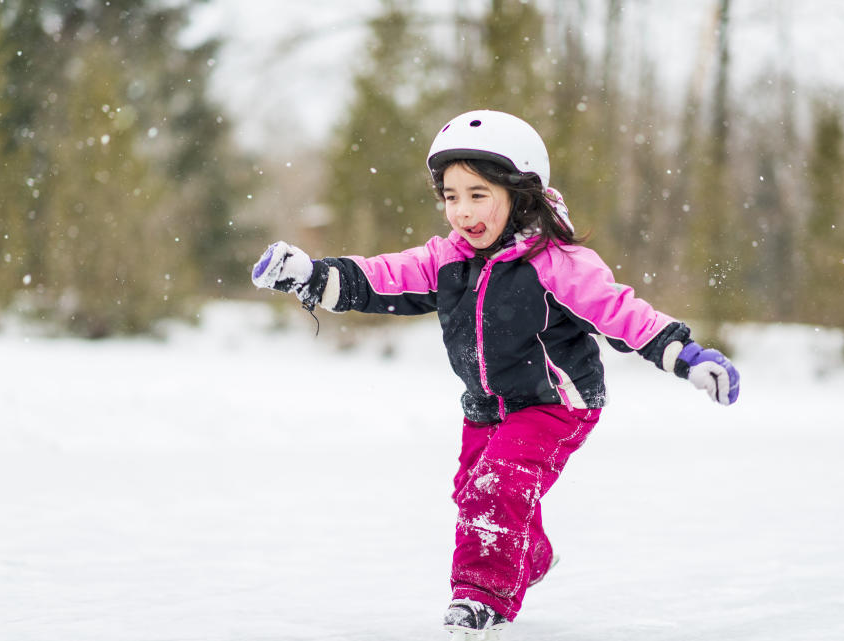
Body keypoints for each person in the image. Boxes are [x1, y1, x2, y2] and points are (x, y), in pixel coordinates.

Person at [251, 109, 740, 638]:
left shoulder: (558, 263)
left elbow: (622, 314)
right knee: (471, 491)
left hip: (556, 403)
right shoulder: (446, 259)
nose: (462, 211)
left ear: (521, 192)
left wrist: (685, 354)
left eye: (477, 194)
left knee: (495, 487)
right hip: (487, 406)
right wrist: (313, 276)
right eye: (451, 196)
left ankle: (479, 599)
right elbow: (383, 277)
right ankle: (526, 555)